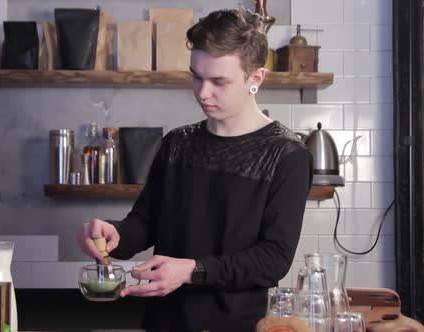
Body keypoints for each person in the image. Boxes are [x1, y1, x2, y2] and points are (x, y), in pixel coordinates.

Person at [78, 8, 313, 332]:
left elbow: (273, 260)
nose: (203, 93)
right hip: (164, 322)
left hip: (239, 325)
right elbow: (146, 223)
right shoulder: (178, 143)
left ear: (255, 78)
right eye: (197, 76)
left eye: (219, 81)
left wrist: (191, 270)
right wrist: (113, 235)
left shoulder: (287, 155)